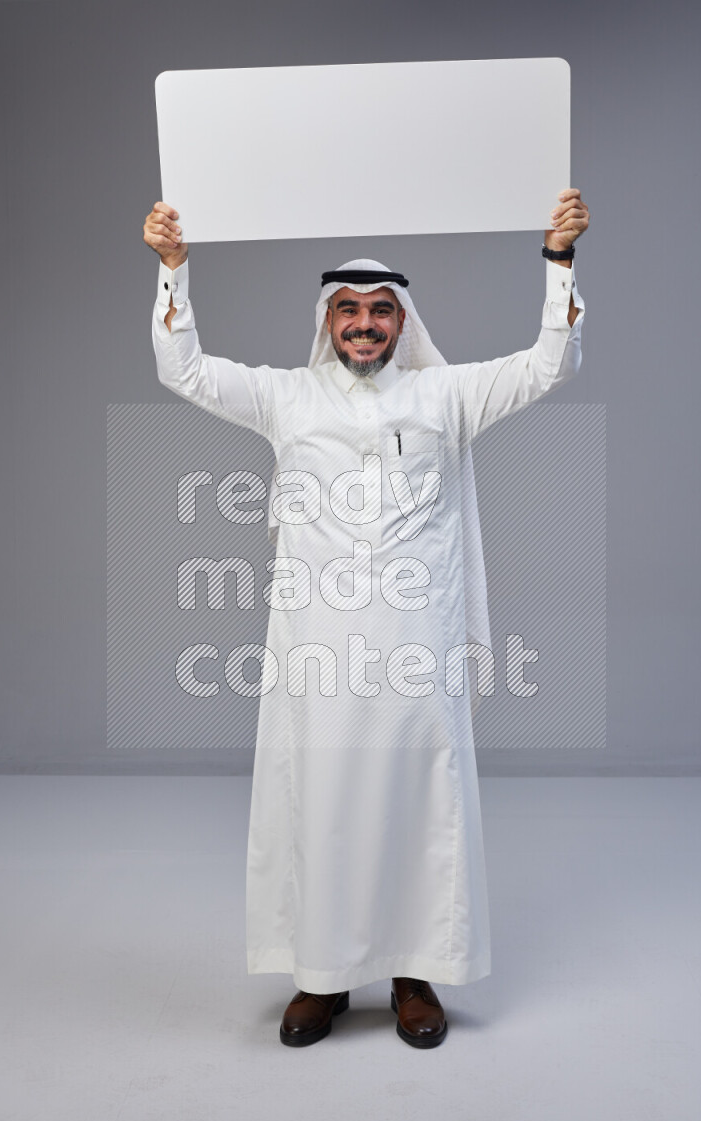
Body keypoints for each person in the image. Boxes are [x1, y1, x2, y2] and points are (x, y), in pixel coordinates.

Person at [143, 190, 590, 1048]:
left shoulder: (445, 395)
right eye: (347, 310)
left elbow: (548, 365)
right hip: (318, 651)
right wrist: (173, 270)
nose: (364, 324)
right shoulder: (286, 397)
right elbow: (186, 371)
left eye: (381, 311)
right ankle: (322, 976)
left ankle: (415, 976)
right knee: (321, 802)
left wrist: (558, 262)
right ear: (326, 320)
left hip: (415, 652)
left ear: (401, 322)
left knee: (419, 805)